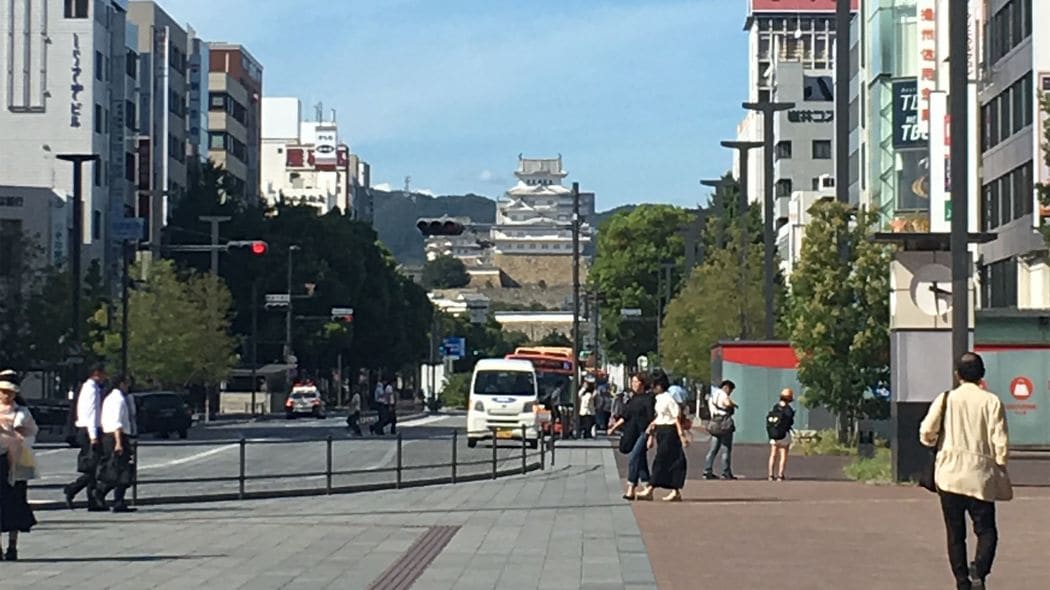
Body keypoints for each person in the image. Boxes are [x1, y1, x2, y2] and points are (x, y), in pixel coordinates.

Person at [920, 352, 1012, 590]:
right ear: (982, 375)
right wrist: (1000, 464)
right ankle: (979, 570)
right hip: (979, 475)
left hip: (949, 474)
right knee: (986, 529)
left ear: (957, 374)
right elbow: (999, 441)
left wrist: (935, 443)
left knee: (955, 532)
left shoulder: (946, 398)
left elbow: (927, 432)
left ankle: (962, 582)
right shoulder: (991, 401)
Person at [0, 376, 38, 560]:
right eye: (3, 392)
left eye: (10, 392)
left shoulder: (22, 413)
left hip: (15, 462)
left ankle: (12, 545)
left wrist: (15, 436)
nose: (6, 395)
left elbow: (28, 434)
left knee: (15, 503)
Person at [64, 365, 108, 510]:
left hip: (89, 430)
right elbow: (91, 413)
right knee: (93, 467)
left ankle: (92, 500)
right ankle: (72, 489)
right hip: (89, 431)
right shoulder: (90, 389)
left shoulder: (92, 388)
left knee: (94, 468)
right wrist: (94, 435)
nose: (105, 377)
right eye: (103, 374)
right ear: (96, 373)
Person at [608, 373, 655, 500]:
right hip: (632, 432)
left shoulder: (649, 398)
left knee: (634, 458)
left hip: (644, 432)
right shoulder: (632, 398)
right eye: (632, 381)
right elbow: (625, 416)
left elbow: (651, 419)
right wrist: (613, 428)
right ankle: (647, 487)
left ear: (643, 384)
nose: (634, 384)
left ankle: (631, 489)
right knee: (640, 460)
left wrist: (651, 436)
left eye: (636, 382)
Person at [95, 376, 137, 513]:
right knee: (122, 470)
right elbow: (117, 423)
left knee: (115, 469)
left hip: (108, 436)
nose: (128, 387)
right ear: (121, 384)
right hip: (117, 437)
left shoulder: (109, 398)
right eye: (127, 384)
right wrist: (119, 443)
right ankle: (108, 495)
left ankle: (117, 500)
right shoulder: (118, 400)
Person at [648, 375, 689, 502]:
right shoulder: (659, 399)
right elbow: (660, 416)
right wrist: (652, 429)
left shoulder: (668, 399)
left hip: (670, 431)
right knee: (670, 459)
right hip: (661, 430)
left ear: (659, 386)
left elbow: (676, 417)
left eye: (654, 385)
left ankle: (651, 488)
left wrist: (682, 436)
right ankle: (675, 491)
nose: (652, 388)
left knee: (662, 459)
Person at [703, 380, 738, 480]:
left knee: (713, 449)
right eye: (730, 390)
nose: (730, 393)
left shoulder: (713, 396)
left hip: (715, 423)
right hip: (724, 424)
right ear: (727, 387)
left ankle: (707, 470)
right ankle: (726, 472)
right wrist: (733, 405)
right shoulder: (723, 395)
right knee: (726, 449)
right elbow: (727, 403)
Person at [766, 388, 796, 481]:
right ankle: (780, 474)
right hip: (784, 435)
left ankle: (770, 475)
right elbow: (790, 422)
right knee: (783, 454)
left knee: (773, 454)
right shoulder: (789, 410)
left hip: (774, 435)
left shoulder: (775, 407)